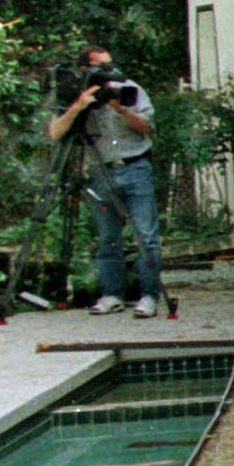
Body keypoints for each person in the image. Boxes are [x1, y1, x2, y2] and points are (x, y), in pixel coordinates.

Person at [47, 43, 161, 318]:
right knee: (107, 237)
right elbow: (54, 133)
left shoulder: (129, 88)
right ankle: (112, 294)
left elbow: (147, 129)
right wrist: (78, 107)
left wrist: (121, 109)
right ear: (85, 69)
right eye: (102, 67)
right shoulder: (76, 93)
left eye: (110, 65)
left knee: (146, 236)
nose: (109, 72)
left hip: (135, 167)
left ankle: (149, 296)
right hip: (100, 170)